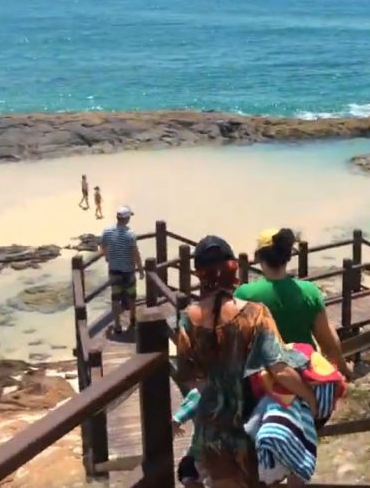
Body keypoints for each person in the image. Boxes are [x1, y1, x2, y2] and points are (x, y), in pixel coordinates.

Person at [177, 235, 318, 488]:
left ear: (200, 274)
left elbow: (190, 377)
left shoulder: (187, 318)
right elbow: (279, 368)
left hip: (211, 426)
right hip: (251, 419)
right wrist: (310, 398)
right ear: (233, 270)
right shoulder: (256, 313)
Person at [235, 228, 352, 380]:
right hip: (304, 373)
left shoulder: (245, 294)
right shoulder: (309, 292)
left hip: (264, 377)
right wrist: (344, 370)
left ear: (258, 258)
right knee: (329, 326)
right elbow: (328, 342)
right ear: (288, 256)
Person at [99, 205, 143, 335]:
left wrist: (107, 257)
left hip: (114, 270)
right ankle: (132, 320)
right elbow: (135, 254)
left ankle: (117, 325)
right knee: (131, 296)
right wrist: (140, 270)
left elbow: (102, 246)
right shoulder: (130, 234)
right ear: (127, 218)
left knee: (115, 298)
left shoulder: (107, 231)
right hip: (128, 271)